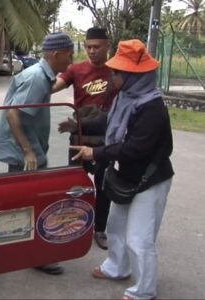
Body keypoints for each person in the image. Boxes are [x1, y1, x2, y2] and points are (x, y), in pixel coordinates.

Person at [69, 39, 174, 300]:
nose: (112, 76)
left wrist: (96, 152)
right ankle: (117, 267)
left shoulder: (151, 108)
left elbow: (134, 148)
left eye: (117, 72)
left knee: (140, 238)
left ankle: (144, 290)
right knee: (116, 226)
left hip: (150, 179)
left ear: (133, 75)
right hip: (128, 174)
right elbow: (108, 121)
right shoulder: (126, 97)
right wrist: (78, 125)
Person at [0, 32, 74, 275]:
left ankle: (22, 250)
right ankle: (33, 255)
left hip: (31, 147)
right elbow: (13, 115)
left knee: (28, 202)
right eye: (69, 56)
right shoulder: (37, 78)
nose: (70, 61)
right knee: (33, 203)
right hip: (24, 152)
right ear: (56, 55)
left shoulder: (44, 76)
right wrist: (28, 151)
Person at [53, 27, 116, 250]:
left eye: (96, 47)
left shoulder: (116, 71)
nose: (91, 51)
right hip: (78, 135)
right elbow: (54, 86)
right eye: (88, 47)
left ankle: (99, 229)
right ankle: (74, 226)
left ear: (107, 46)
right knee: (75, 183)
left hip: (104, 138)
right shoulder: (76, 70)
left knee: (103, 185)